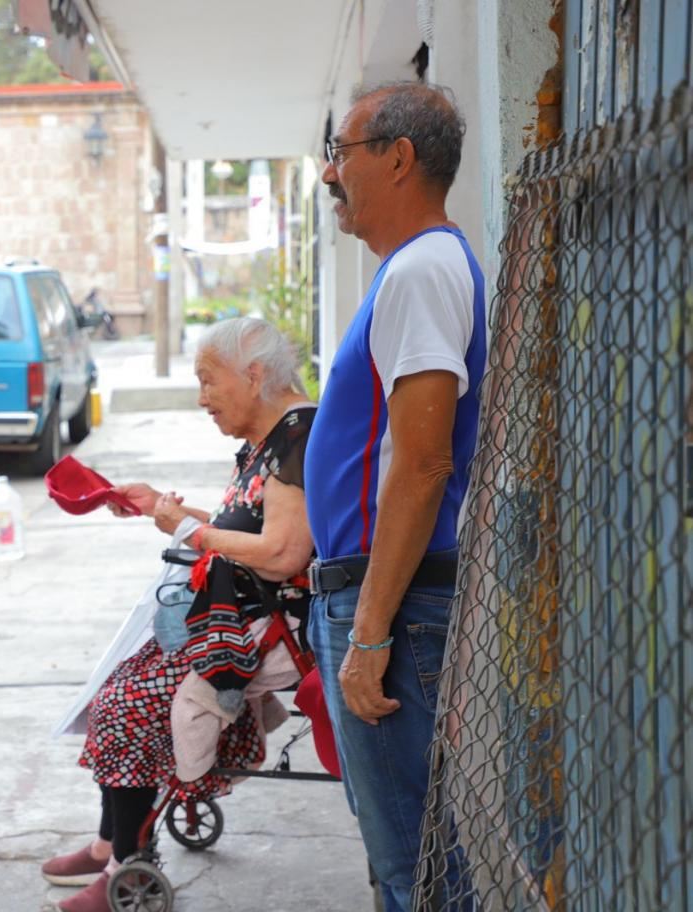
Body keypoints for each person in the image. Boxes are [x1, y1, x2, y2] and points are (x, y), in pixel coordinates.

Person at [42, 317, 317, 912]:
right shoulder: (269, 439)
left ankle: (125, 861)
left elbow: (281, 552)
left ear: (252, 374)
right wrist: (159, 509)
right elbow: (244, 527)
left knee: (127, 702)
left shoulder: (299, 434)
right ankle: (108, 840)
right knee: (115, 684)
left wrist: (190, 532)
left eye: (207, 381)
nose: (202, 398)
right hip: (238, 614)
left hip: (270, 628)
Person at [305, 81, 484, 911]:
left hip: (395, 604)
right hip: (387, 597)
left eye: (341, 153)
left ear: (398, 158)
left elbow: (421, 465)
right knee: (405, 859)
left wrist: (369, 630)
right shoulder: (416, 269)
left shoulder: (419, 272)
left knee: (416, 864)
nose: (330, 175)